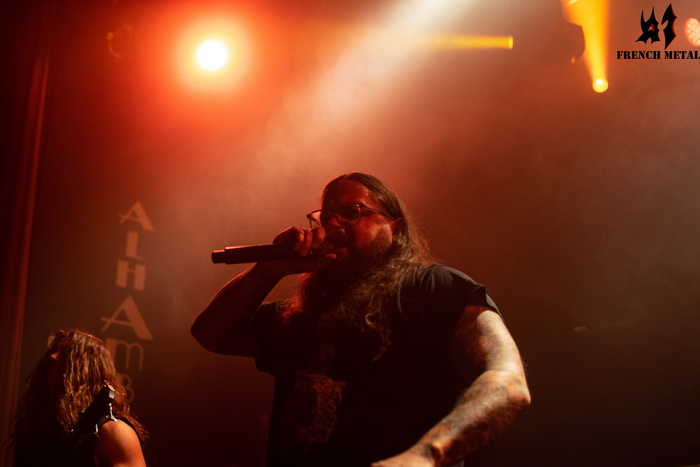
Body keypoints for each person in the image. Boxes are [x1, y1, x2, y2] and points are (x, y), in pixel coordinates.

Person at [191, 172, 531, 466]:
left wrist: (426, 455)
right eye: (325, 217)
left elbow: (507, 384)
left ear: (394, 226)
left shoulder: (434, 287)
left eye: (351, 212)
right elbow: (211, 335)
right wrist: (269, 270)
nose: (333, 224)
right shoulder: (300, 314)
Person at [10, 329, 148, 466]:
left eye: (65, 353)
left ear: (87, 367)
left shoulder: (113, 431)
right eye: (55, 350)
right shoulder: (39, 427)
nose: (53, 357)